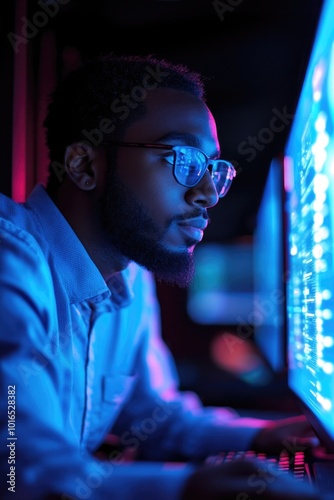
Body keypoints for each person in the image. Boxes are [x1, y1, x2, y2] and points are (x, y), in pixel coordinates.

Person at [0, 53, 321, 500]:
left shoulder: (130, 273)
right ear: (84, 166)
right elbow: (16, 472)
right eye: (184, 160)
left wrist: (260, 436)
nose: (208, 193)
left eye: (214, 170)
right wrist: (191, 490)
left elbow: (155, 417)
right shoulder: (9, 260)